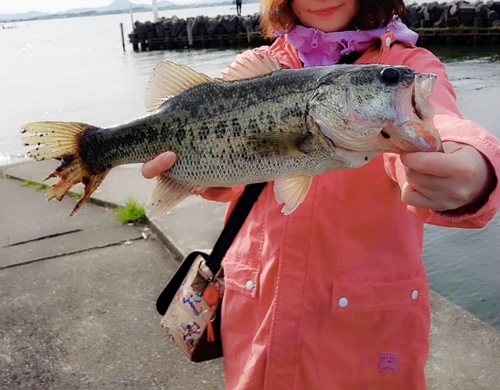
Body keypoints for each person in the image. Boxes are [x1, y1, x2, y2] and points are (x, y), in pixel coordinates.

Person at [143, 0, 500, 388]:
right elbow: (237, 172)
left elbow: (441, 124)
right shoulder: (258, 65)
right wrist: (204, 178)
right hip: (258, 317)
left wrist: (476, 168)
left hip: (362, 337)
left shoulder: (404, 69)